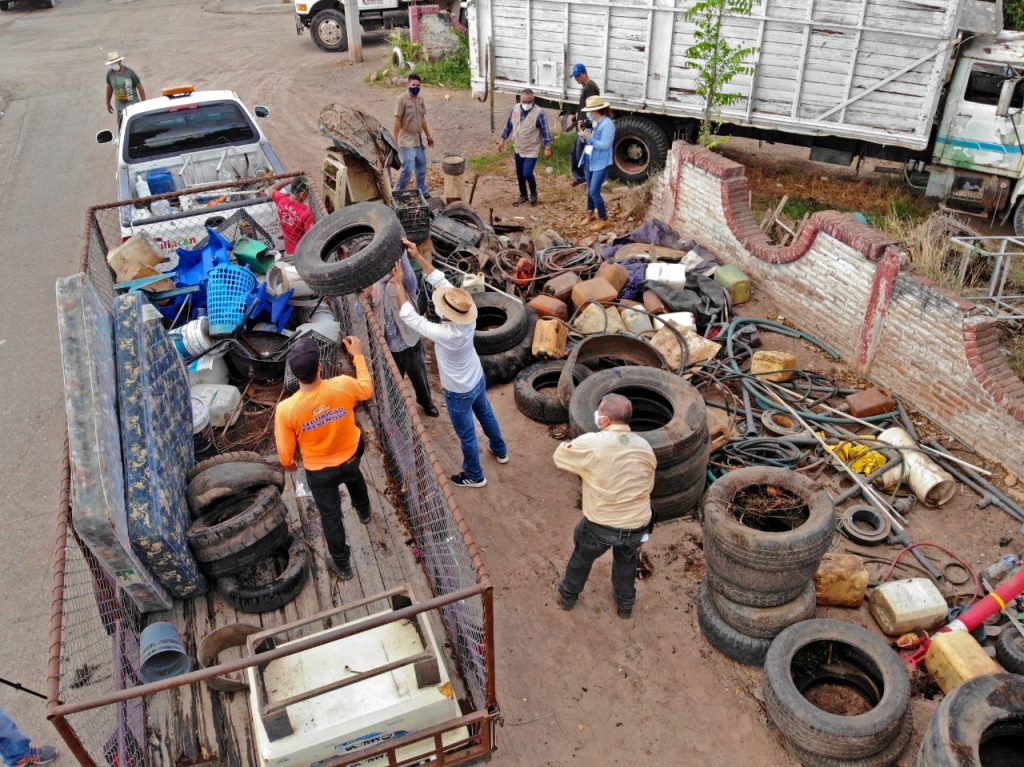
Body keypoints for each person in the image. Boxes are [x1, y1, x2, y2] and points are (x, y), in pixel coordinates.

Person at [393, 237, 509, 488]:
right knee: (486, 414)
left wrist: (399, 285)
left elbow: (410, 317)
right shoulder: (468, 316)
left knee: (467, 434)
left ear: (447, 314)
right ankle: (500, 450)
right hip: (476, 378)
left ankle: (475, 475)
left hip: (459, 390)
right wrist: (417, 256)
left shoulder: (447, 334)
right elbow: (441, 281)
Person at [274, 335, 374, 581]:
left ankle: (343, 564)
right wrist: (357, 356)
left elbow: (285, 454)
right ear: (320, 366)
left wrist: (290, 465)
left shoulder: (286, 410)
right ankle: (364, 512)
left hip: (320, 472)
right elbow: (367, 389)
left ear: (294, 375)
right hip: (351, 456)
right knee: (356, 479)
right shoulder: (342, 384)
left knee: (330, 516)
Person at [554, 394, 656, 619]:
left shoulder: (592, 443)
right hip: (638, 524)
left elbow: (560, 456)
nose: (597, 415)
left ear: (607, 420)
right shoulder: (645, 446)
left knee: (582, 555)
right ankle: (625, 606)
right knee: (627, 562)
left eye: (600, 411)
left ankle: (567, 597)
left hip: (601, 525)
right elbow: (649, 483)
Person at [368, 250, 439, 417]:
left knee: (420, 379)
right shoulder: (374, 287)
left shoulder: (405, 283)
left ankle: (426, 402)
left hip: (410, 343)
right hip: (389, 348)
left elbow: (405, 266)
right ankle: (398, 408)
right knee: (393, 383)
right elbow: (360, 311)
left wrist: (399, 250)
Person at [498, 89, 553, 206]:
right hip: (518, 146)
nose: (526, 104)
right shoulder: (516, 108)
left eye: (529, 102)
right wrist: (502, 138)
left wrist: (547, 147)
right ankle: (523, 195)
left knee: (527, 173)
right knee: (519, 173)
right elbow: (509, 124)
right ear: (520, 99)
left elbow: (545, 130)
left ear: (532, 100)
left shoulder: (539, 112)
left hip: (532, 148)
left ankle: (533, 192)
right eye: (524, 101)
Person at [393, 72, 435, 198]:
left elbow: (422, 119)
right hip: (406, 141)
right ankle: (399, 193)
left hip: (418, 140)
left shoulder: (420, 100)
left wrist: (428, 135)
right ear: (408, 84)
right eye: (413, 84)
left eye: (418, 85)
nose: (415, 87)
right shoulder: (402, 100)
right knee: (408, 167)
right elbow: (397, 120)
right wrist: (394, 141)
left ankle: (422, 191)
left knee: (421, 167)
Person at [579, 95, 616, 232]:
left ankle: (603, 219)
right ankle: (590, 213)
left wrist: (590, 138)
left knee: (594, 191)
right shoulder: (592, 121)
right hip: (589, 159)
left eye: (590, 110)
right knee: (589, 188)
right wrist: (582, 135)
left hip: (601, 162)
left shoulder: (607, 124)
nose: (588, 113)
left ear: (596, 110)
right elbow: (586, 140)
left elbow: (605, 145)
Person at [568, 63, 600, 187]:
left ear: (585, 73)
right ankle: (580, 176)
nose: (576, 78)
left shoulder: (590, 87)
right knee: (575, 151)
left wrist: (586, 126)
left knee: (581, 151)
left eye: (578, 75)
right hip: (583, 123)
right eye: (574, 76)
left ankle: (584, 177)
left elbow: (592, 107)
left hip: (586, 124)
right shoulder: (586, 86)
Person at [267, 177, 315, 255]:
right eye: (308, 191)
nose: (309, 193)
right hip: (301, 253)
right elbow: (311, 237)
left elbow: (271, 189)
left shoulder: (281, 199)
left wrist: (288, 180)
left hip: (288, 250)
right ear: (302, 194)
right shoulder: (306, 213)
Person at [104, 52, 145, 126]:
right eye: (112, 63)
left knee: (136, 126)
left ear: (120, 61)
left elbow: (140, 88)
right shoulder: (110, 74)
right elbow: (109, 88)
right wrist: (108, 103)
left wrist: (143, 103)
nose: (113, 65)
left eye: (115, 63)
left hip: (133, 107)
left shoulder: (130, 73)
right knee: (122, 127)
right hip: (120, 108)